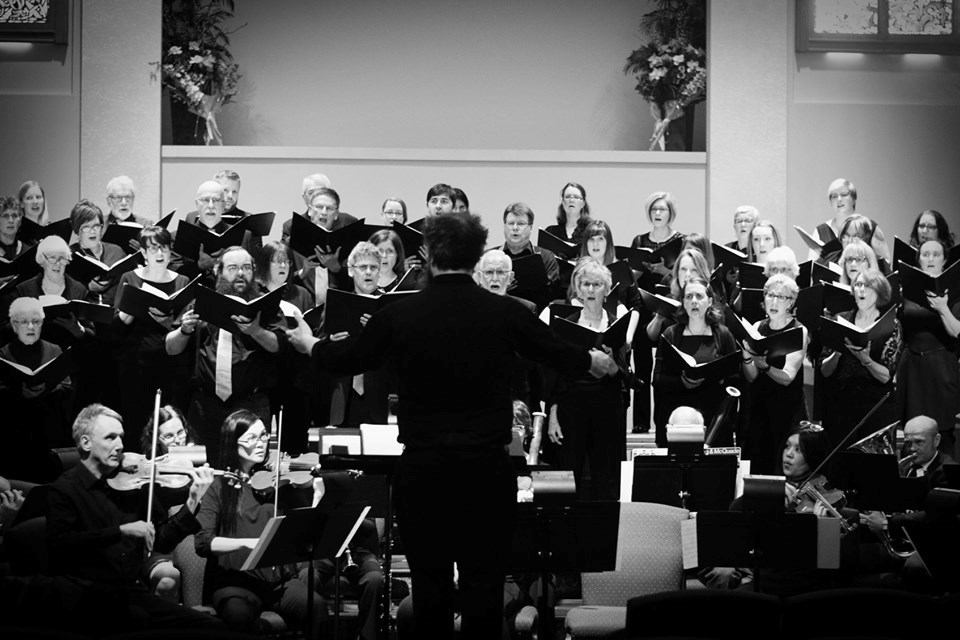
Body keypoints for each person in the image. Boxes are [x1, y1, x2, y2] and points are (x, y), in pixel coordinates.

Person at [285, 212, 619, 640]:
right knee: (485, 590)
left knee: (431, 591)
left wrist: (309, 343)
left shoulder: (400, 314)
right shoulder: (504, 312)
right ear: (477, 256)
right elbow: (555, 350)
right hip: (486, 472)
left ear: (428, 254)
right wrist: (593, 360)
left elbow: (347, 358)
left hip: (424, 473)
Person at [46, 404, 218, 634]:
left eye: (121, 437)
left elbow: (161, 541)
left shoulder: (131, 485)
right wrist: (121, 531)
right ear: (86, 443)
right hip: (84, 596)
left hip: (129, 593)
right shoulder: (64, 490)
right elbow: (60, 545)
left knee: (208, 626)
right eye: (110, 437)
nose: (120, 445)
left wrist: (193, 501)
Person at [194, 409, 329, 638]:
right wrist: (249, 543)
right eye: (252, 438)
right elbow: (203, 543)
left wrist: (317, 497)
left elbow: (303, 528)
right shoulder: (218, 487)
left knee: (316, 607)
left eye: (264, 436)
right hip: (235, 582)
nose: (261, 444)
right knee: (238, 615)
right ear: (232, 443)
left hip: (277, 582)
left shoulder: (277, 484)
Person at [165, 246, 284, 462]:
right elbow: (171, 348)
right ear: (218, 271)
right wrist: (184, 330)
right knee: (203, 466)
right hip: (206, 404)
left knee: (251, 467)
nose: (240, 273)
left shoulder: (265, 304)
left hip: (251, 403)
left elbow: (279, 346)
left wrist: (256, 331)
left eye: (246, 268)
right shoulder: (201, 303)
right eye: (233, 268)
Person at [546, 258, 638, 500]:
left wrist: (612, 366)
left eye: (597, 285)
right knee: (569, 476)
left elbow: (626, 378)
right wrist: (553, 416)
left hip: (607, 408)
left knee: (604, 478)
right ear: (578, 289)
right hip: (571, 408)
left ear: (606, 290)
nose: (590, 289)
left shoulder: (616, 325)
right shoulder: (567, 325)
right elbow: (555, 377)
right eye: (585, 284)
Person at [115, 226, 195, 442]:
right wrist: (134, 305)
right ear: (143, 253)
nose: (159, 254)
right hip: (136, 364)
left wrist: (179, 323)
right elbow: (117, 327)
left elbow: (183, 325)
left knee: (171, 421)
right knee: (137, 422)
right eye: (153, 249)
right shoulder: (130, 278)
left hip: (171, 365)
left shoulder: (182, 281)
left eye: (164, 248)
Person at [818, 269, 902, 447]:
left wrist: (866, 360)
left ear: (879, 292)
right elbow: (824, 371)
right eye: (858, 285)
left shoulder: (891, 325)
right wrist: (838, 351)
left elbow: (886, 376)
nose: (861, 290)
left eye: (868, 286)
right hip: (841, 403)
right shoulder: (840, 319)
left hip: (875, 406)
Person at [652, 277, 738, 444]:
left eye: (699, 296)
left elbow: (734, 379)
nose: (694, 301)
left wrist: (717, 379)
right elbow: (658, 379)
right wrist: (682, 382)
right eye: (689, 296)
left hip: (713, 417)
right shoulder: (671, 334)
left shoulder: (723, 335)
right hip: (679, 418)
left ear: (709, 301)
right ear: (683, 302)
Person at [896, 239, 960, 459]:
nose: (930, 258)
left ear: (944, 260)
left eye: (936, 254)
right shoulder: (907, 290)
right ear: (918, 260)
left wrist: (943, 308)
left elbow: (956, 332)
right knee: (909, 432)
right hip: (911, 366)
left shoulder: (955, 291)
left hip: (941, 366)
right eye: (925, 254)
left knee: (942, 431)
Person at [741, 274, 809, 475]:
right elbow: (751, 377)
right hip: (759, 407)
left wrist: (765, 366)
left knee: (779, 467)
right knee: (757, 465)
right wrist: (746, 357)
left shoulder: (798, 330)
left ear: (791, 302)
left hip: (786, 410)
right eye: (770, 295)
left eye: (781, 297)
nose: (774, 301)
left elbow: (788, 377)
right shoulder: (757, 327)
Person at [0, 296, 74, 481]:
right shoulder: (3, 354)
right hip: (14, 430)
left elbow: (67, 385)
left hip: (49, 427)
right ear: (14, 325)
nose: (31, 327)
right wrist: (18, 392)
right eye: (24, 322)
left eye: (36, 321)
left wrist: (48, 389)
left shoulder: (54, 350)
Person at [137, 403, 200, 603]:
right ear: (156, 439)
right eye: (169, 436)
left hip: (198, 542)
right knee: (167, 580)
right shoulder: (151, 477)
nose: (178, 441)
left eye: (181, 433)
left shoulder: (199, 463)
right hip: (165, 548)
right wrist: (192, 501)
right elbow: (162, 540)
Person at [810, 178, 890, 265]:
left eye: (844, 195)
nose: (839, 199)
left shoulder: (870, 227)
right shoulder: (821, 231)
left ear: (854, 198)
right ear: (830, 202)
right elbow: (812, 266)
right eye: (834, 196)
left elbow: (885, 263)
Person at [500, 202, 561, 311]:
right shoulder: (491, 257)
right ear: (504, 226)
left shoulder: (546, 257)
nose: (515, 228)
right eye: (511, 223)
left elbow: (553, 294)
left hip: (536, 315)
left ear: (531, 227)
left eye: (521, 224)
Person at [631, 191, 684, 292]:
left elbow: (686, 277)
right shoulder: (639, 241)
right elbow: (629, 279)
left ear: (670, 213)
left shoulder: (681, 241)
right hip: (642, 296)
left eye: (662, 209)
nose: (657, 213)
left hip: (671, 296)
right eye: (654, 209)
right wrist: (637, 272)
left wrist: (664, 271)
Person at [0, 195, 29, 261]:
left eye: (14, 216)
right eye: (5, 216)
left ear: (20, 221)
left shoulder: (29, 252)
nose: (11, 220)